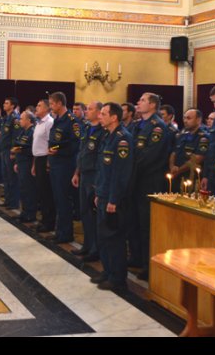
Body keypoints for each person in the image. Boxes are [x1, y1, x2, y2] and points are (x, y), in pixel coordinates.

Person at [127, 92, 170, 280]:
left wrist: (130, 167)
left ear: (152, 105)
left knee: (146, 224)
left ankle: (148, 263)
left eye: (142, 100)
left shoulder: (158, 128)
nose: (138, 102)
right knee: (133, 220)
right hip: (135, 179)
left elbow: (149, 156)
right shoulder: (138, 125)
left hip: (149, 180)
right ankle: (136, 256)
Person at [92, 102, 133, 292]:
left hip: (114, 199)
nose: (100, 116)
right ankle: (108, 271)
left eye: (103, 113)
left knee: (114, 239)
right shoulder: (107, 137)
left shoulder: (122, 139)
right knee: (103, 237)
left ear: (114, 117)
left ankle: (118, 278)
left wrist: (113, 200)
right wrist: (98, 193)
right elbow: (102, 169)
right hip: (103, 194)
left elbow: (120, 173)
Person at [47, 91, 84, 244]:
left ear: (60, 103)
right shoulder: (57, 120)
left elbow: (76, 145)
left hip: (65, 165)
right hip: (56, 163)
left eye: (52, 104)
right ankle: (60, 231)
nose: (51, 107)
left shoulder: (71, 121)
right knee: (57, 199)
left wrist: (59, 151)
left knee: (64, 200)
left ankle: (66, 233)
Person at [71, 100, 104, 263]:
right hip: (83, 174)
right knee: (84, 212)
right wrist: (76, 172)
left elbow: (100, 159)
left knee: (93, 214)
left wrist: (98, 182)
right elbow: (82, 152)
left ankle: (95, 249)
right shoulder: (85, 128)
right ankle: (87, 245)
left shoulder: (102, 131)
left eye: (90, 109)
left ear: (99, 113)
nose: (86, 112)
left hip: (94, 176)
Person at [169, 108, 209, 188]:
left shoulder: (203, 137)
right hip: (176, 175)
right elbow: (173, 153)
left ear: (198, 120)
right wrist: (172, 167)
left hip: (191, 177)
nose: (185, 121)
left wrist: (179, 170)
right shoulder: (182, 135)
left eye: (189, 118)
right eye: (184, 118)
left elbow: (198, 158)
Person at [32, 98, 55, 233]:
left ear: (47, 109)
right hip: (38, 159)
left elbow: (51, 144)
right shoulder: (39, 122)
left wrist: (47, 162)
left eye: (39, 106)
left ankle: (49, 222)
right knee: (41, 192)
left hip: (46, 159)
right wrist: (34, 164)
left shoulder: (49, 122)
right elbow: (37, 145)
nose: (36, 107)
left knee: (47, 193)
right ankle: (44, 219)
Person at [12, 110, 36, 223]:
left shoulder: (32, 131)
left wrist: (20, 149)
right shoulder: (23, 131)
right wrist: (16, 162)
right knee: (22, 189)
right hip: (21, 162)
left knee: (29, 190)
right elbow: (17, 144)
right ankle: (24, 212)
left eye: (22, 118)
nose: (19, 120)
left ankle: (30, 214)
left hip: (27, 163)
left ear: (28, 120)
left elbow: (32, 149)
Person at [0, 97, 21, 209]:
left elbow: (16, 136)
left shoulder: (15, 118)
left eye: (6, 103)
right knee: (6, 177)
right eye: (4, 102)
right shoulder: (6, 118)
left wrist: (13, 152)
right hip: (3, 151)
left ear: (12, 106)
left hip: (10, 151)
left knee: (12, 178)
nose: (4, 104)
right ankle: (8, 200)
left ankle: (14, 202)